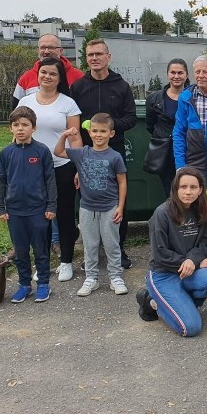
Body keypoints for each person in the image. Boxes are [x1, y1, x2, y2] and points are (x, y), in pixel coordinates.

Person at [12, 34, 83, 255]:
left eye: (53, 74)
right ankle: (41, 258)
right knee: (36, 213)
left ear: (60, 78)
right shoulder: (25, 101)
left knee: (63, 212)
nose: (47, 76)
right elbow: (17, 132)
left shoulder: (68, 103)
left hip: (61, 165)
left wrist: (80, 166)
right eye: (44, 72)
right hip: (32, 166)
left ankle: (66, 259)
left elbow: (75, 136)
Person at [70, 39, 136, 268]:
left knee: (118, 198)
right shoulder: (78, 87)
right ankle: (92, 250)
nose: (94, 58)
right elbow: (73, 122)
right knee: (87, 200)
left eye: (99, 54)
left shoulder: (121, 86)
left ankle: (119, 248)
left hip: (113, 150)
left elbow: (131, 118)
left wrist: (108, 127)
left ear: (108, 57)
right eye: (90, 55)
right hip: (86, 153)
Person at [135, 168, 207, 337]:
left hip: (188, 271)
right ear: (175, 188)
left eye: (193, 187)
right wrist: (190, 261)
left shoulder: (201, 210)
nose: (188, 192)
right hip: (163, 274)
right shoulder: (162, 213)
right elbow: (160, 252)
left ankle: (179, 304)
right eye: (183, 187)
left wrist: (192, 260)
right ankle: (152, 303)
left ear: (200, 190)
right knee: (191, 328)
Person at [54, 114, 128, 297]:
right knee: (90, 244)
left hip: (110, 207)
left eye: (103, 131)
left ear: (111, 133)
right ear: (89, 132)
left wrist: (120, 207)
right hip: (87, 208)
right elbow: (58, 152)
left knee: (112, 244)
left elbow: (122, 183)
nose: (98, 135)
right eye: (94, 131)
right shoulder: (82, 152)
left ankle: (116, 277)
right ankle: (91, 278)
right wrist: (64, 136)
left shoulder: (115, 156)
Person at [0, 106, 57, 304]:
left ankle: (44, 285)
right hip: (14, 212)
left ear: (34, 128)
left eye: (25, 125)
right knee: (20, 251)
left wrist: (51, 207)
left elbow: (50, 180)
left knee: (41, 249)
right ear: (10, 129)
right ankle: (24, 285)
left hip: (38, 211)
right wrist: (1, 207)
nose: (20, 129)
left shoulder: (41, 151)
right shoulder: (6, 153)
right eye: (16, 125)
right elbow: (1, 181)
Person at [145, 59, 189, 198]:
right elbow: (150, 125)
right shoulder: (154, 98)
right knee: (169, 191)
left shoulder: (192, 97)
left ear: (186, 75)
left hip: (187, 150)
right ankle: (173, 218)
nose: (176, 76)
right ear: (167, 74)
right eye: (173, 72)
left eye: (180, 73)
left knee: (188, 187)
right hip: (164, 152)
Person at [12, 34, 84, 108]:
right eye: (43, 47)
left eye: (51, 47)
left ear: (60, 51)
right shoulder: (26, 78)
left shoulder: (78, 76)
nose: (46, 51)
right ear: (38, 50)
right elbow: (16, 110)